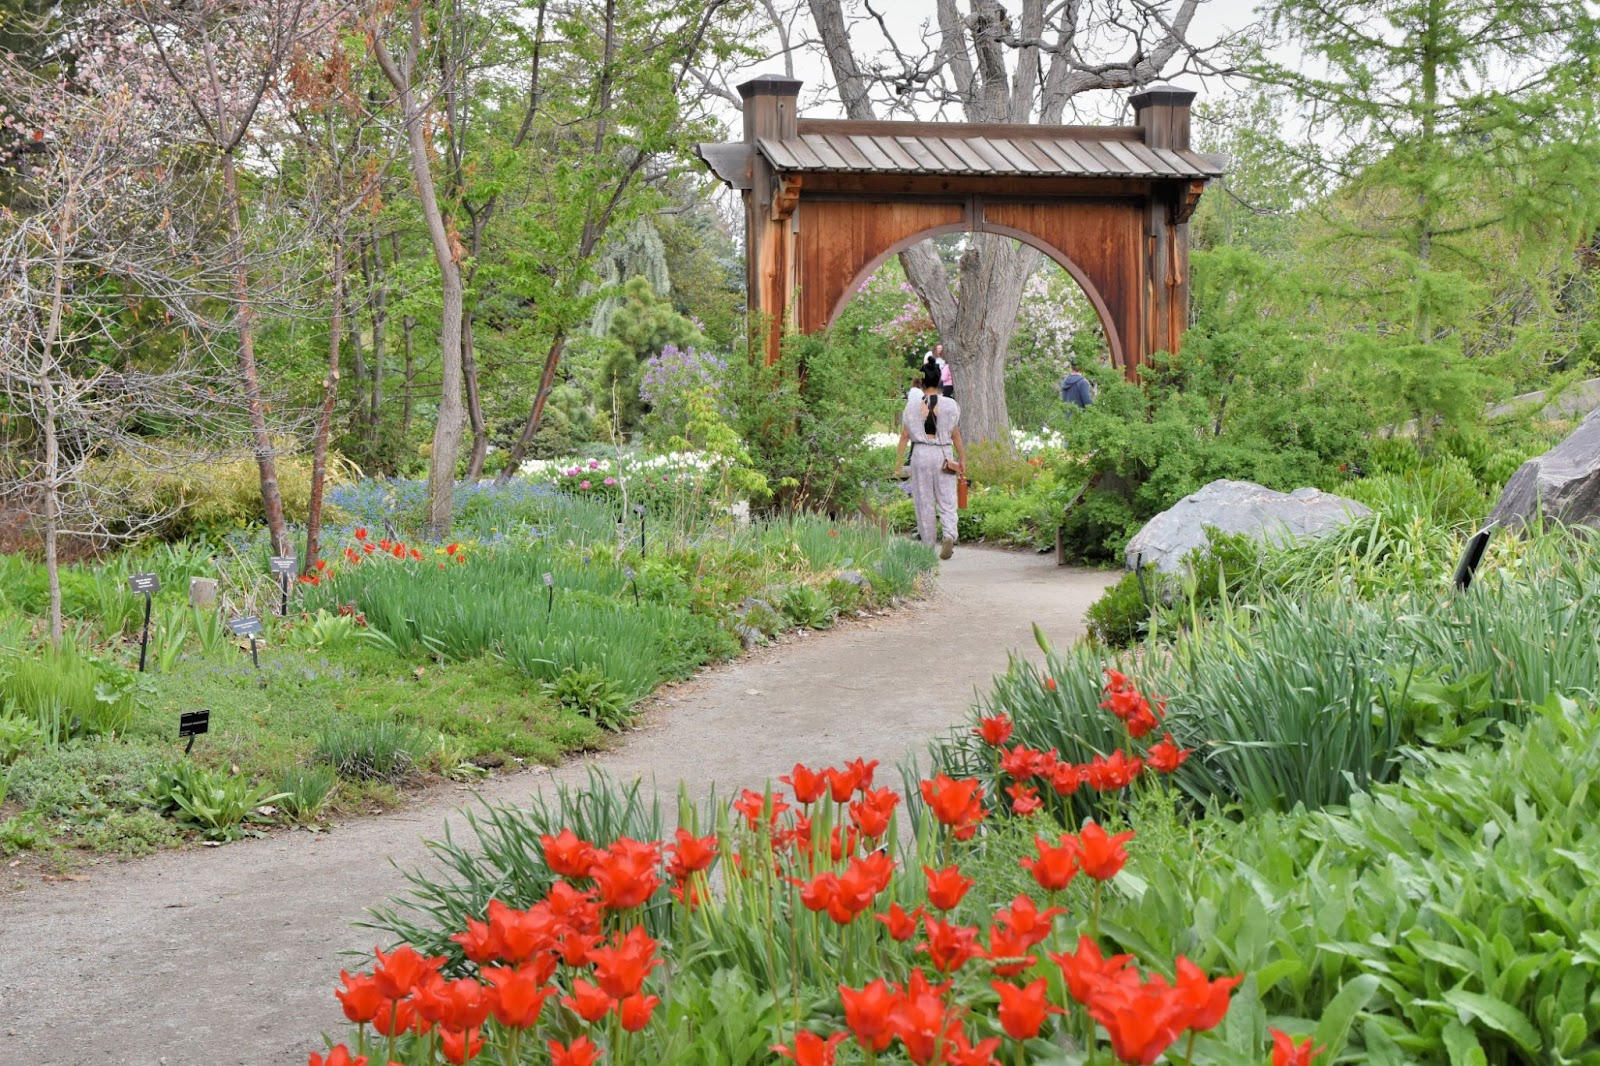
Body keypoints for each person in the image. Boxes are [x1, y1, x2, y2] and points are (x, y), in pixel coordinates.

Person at [895, 355, 967, 559]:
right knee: (947, 498)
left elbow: (904, 435)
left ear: (923, 382)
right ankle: (949, 534)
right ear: (939, 382)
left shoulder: (911, 406)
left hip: (920, 454)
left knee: (923, 499)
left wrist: (898, 464)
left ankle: (928, 545)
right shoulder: (950, 405)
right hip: (943, 453)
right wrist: (962, 459)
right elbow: (956, 435)